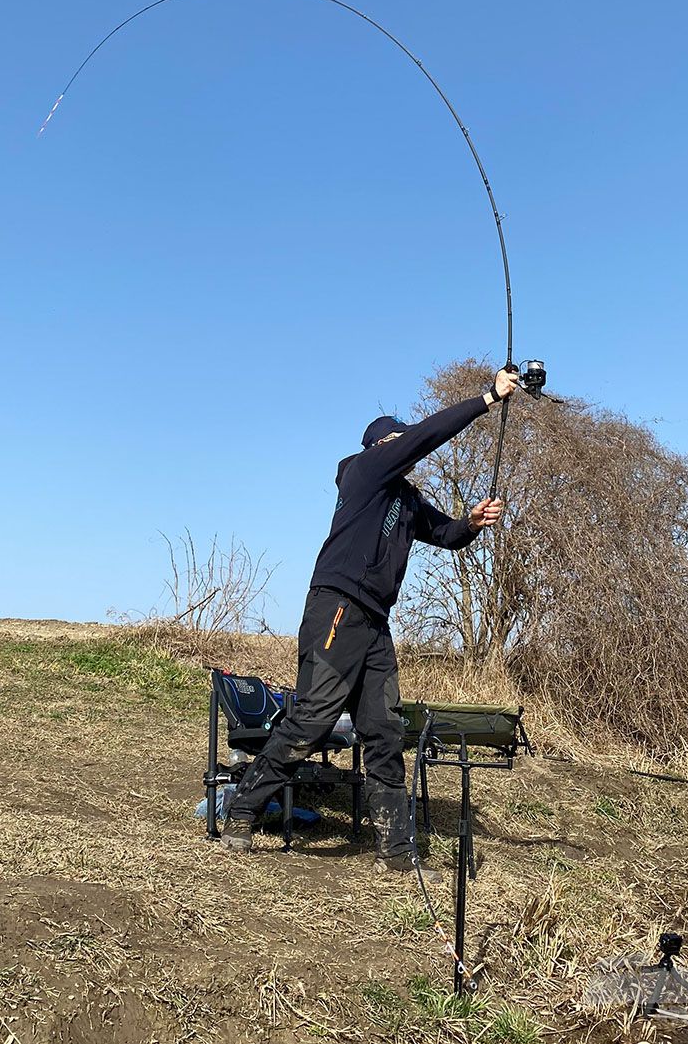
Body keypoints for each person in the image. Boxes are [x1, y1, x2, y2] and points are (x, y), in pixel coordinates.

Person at [219, 368, 519, 876]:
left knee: (383, 731)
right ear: (382, 446)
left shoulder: (402, 499)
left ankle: (397, 852)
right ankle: (243, 810)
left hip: (376, 623)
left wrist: (470, 522)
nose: (406, 450)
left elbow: (444, 534)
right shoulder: (363, 471)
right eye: (398, 443)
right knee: (312, 718)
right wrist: (488, 398)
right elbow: (426, 437)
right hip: (336, 606)